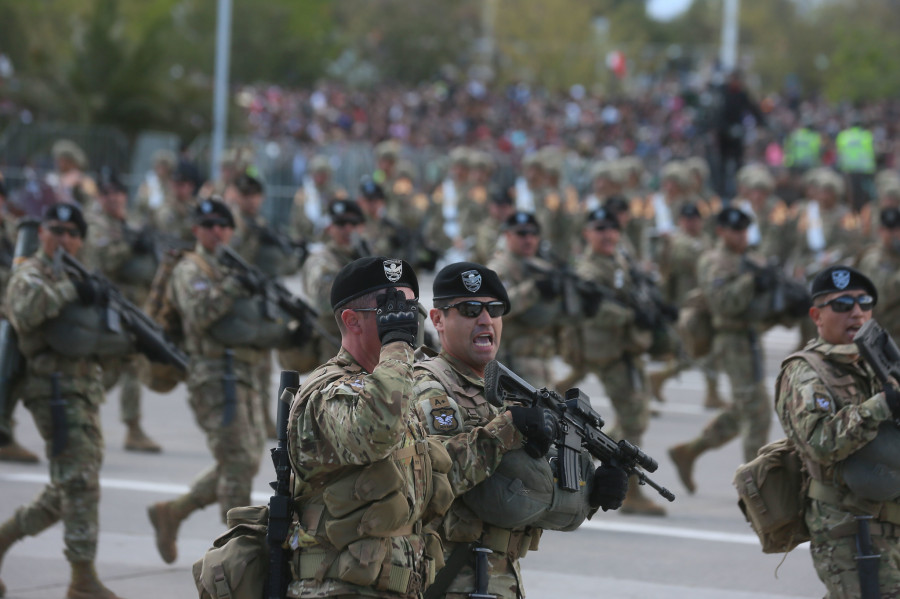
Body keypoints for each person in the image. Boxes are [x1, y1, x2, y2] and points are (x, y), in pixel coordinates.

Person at [285, 256, 548, 598]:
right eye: (392, 312)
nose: (407, 323)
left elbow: (439, 480)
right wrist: (396, 347)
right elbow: (377, 433)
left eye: (411, 311)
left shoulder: (396, 391)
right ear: (352, 321)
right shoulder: (327, 393)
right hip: (338, 588)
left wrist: (505, 433)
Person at [414, 261, 627, 598]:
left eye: (494, 309)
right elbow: (437, 478)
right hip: (449, 579)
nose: (485, 319)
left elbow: (529, 492)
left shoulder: (507, 393)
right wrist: (508, 428)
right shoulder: (430, 387)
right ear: (438, 319)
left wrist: (592, 492)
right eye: (470, 309)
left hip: (499, 577)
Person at [0, 204, 126, 599]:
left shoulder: (81, 276)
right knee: (80, 484)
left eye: (73, 232)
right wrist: (74, 290)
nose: (65, 238)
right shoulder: (31, 273)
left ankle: (3, 539)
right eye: (56, 229)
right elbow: (24, 310)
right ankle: (82, 578)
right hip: (51, 391)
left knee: (68, 486)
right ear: (42, 233)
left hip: (83, 391)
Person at [146, 199, 267, 565]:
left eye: (224, 224)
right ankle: (235, 555)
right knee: (235, 461)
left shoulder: (231, 266)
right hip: (212, 375)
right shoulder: (190, 268)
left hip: (242, 373)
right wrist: (234, 287)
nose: (218, 231)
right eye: (209, 224)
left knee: (244, 459)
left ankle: (174, 512)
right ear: (196, 229)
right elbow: (199, 315)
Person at [775, 265, 900, 596]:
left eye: (864, 303)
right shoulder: (805, 371)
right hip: (849, 525)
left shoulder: (876, 362)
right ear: (817, 315)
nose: (856, 313)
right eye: (843, 305)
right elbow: (818, 442)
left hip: (889, 515)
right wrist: (881, 405)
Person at [668, 207, 774, 494]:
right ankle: (755, 486)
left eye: (744, 231)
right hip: (732, 340)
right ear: (721, 231)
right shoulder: (713, 261)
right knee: (756, 412)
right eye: (735, 231)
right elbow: (724, 302)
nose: (741, 236)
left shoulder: (749, 258)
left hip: (751, 338)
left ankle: (689, 451)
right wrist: (752, 282)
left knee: (745, 408)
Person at [571, 207, 666, 516]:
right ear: (588, 233)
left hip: (628, 349)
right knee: (633, 416)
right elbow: (594, 308)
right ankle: (628, 487)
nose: (608, 235)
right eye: (600, 229)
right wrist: (631, 316)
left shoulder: (618, 260)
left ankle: (596, 461)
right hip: (609, 351)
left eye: (612, 229)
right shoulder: (588, 269)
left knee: (635, 415)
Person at [84, 176, 161, 452]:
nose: (115, 199)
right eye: (108, 194)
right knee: (113, 367)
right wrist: (131, 246)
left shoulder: (129, 223)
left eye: (118, 193)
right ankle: (82, 408)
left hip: (133, 306)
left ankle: (131, 427)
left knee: (127, 365)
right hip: (109, 307)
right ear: (100, 198)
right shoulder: (96, 226)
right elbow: (105, 262)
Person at [486, 212, 564, 389]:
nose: (528, 239)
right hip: (512, 362)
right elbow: (494, 308)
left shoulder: (541, 267)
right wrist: (533, 288)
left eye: (533, 234)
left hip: (542, 359)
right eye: (521, 234)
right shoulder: (499, 269)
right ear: (507, 235)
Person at [856, 206, 900, 342]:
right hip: (886, 337)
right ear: (881, 231)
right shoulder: (873, 258)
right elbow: (879, 300)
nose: (897, 235)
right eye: (891, 230)